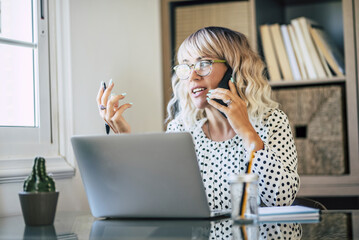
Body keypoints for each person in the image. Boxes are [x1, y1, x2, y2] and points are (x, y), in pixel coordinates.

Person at [96, 26, 300, 210]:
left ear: (233, 71)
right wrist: (124, 138)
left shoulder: (272, 121)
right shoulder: (182, 130)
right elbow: (157, 200)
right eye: (186, 66)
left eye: (203, 63)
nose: (192, 76)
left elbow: (280, 199)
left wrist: (247, 132)